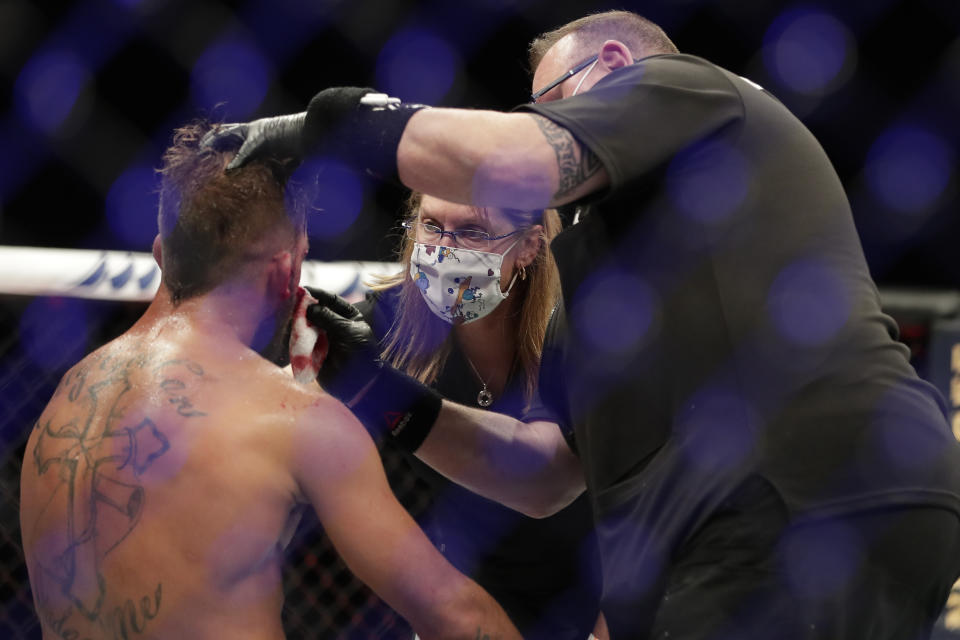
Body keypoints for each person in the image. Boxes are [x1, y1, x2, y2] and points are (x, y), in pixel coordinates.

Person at [207, 9, 960, 639]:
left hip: (801, 495)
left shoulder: (690, 90)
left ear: (612, 63)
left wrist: (328, 125)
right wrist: (387, 395)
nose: (559, 126)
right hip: (748, 529)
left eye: (556, 106)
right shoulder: (605, 268)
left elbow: (514, 161)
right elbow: (546, 475)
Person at [18, 121, 521, 640]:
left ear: (161, 253)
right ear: (285, 271)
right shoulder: (294, 423)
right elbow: (460, 619)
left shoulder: (67, 401)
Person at [319, 192, 601, 638]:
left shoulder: (578, 326)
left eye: (473, 232)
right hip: (462, 603)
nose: (445, 250)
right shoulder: (381, 331)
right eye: (431, 225)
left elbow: (562, 484)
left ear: (529, 245)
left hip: (590, 595)